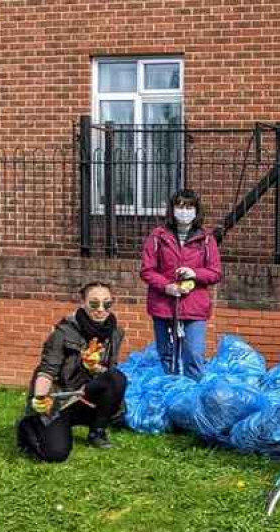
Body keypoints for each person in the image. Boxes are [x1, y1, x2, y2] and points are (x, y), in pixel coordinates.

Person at [16, 281, 127, 462]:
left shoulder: (115, 332)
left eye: (107, 304)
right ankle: (28, 425)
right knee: (56, 454)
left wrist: (94, 367)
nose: (100, 309)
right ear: (83, 302)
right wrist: (39, 398)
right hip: (61, 399)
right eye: (94, 303)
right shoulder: (63, 333)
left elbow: (109, 374)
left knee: (117, 378)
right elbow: (46, 372)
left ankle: (97, 432)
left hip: (84, 396)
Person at [140, 189, 222, 379]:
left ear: (196, 210)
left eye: (189, 206)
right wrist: (166, 286)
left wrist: (195, 274)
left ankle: (193, 395)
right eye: (180, 206)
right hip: (163, 305)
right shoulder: (157, 237)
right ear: (172, 209)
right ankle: (170, 392)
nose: (184, 211)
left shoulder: (207, 239)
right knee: (167, 355)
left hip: (194, 306)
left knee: (193, 353)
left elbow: (216, 272)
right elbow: (147, 270)